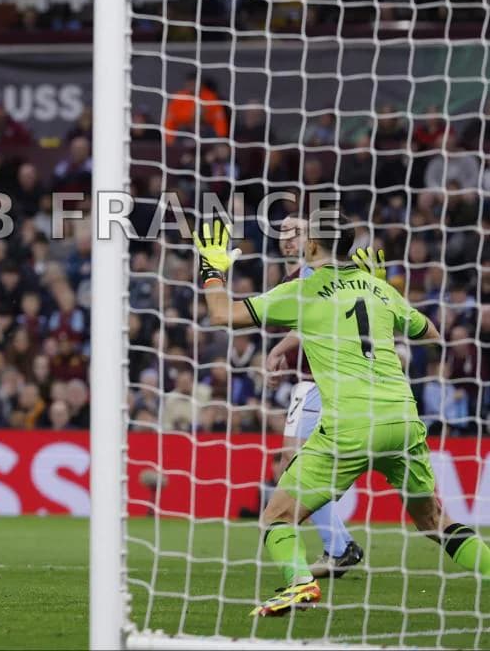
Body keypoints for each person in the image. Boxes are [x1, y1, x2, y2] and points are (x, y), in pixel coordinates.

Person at [193, 214, 490, 617]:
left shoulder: (303, 289)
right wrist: (376, 289)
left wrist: (212, 268)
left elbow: (221, 315)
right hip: (403, 421)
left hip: (351, 424)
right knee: (435, 521)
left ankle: (301, 583)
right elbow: (431, 334)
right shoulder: (377, 287)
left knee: (276, 517)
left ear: (313, 246)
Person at [264, 216, 364, 577]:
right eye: (283, 233)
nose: (288, 239)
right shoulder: (299, 278)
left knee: (294, 463)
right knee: (297, 465)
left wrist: (278, 349)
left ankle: (340, 546)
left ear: (313, 240)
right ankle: (339, 545)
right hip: (328, 382)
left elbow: (310, 323)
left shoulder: (311, 275)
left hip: (318, 382)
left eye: (296, 232)